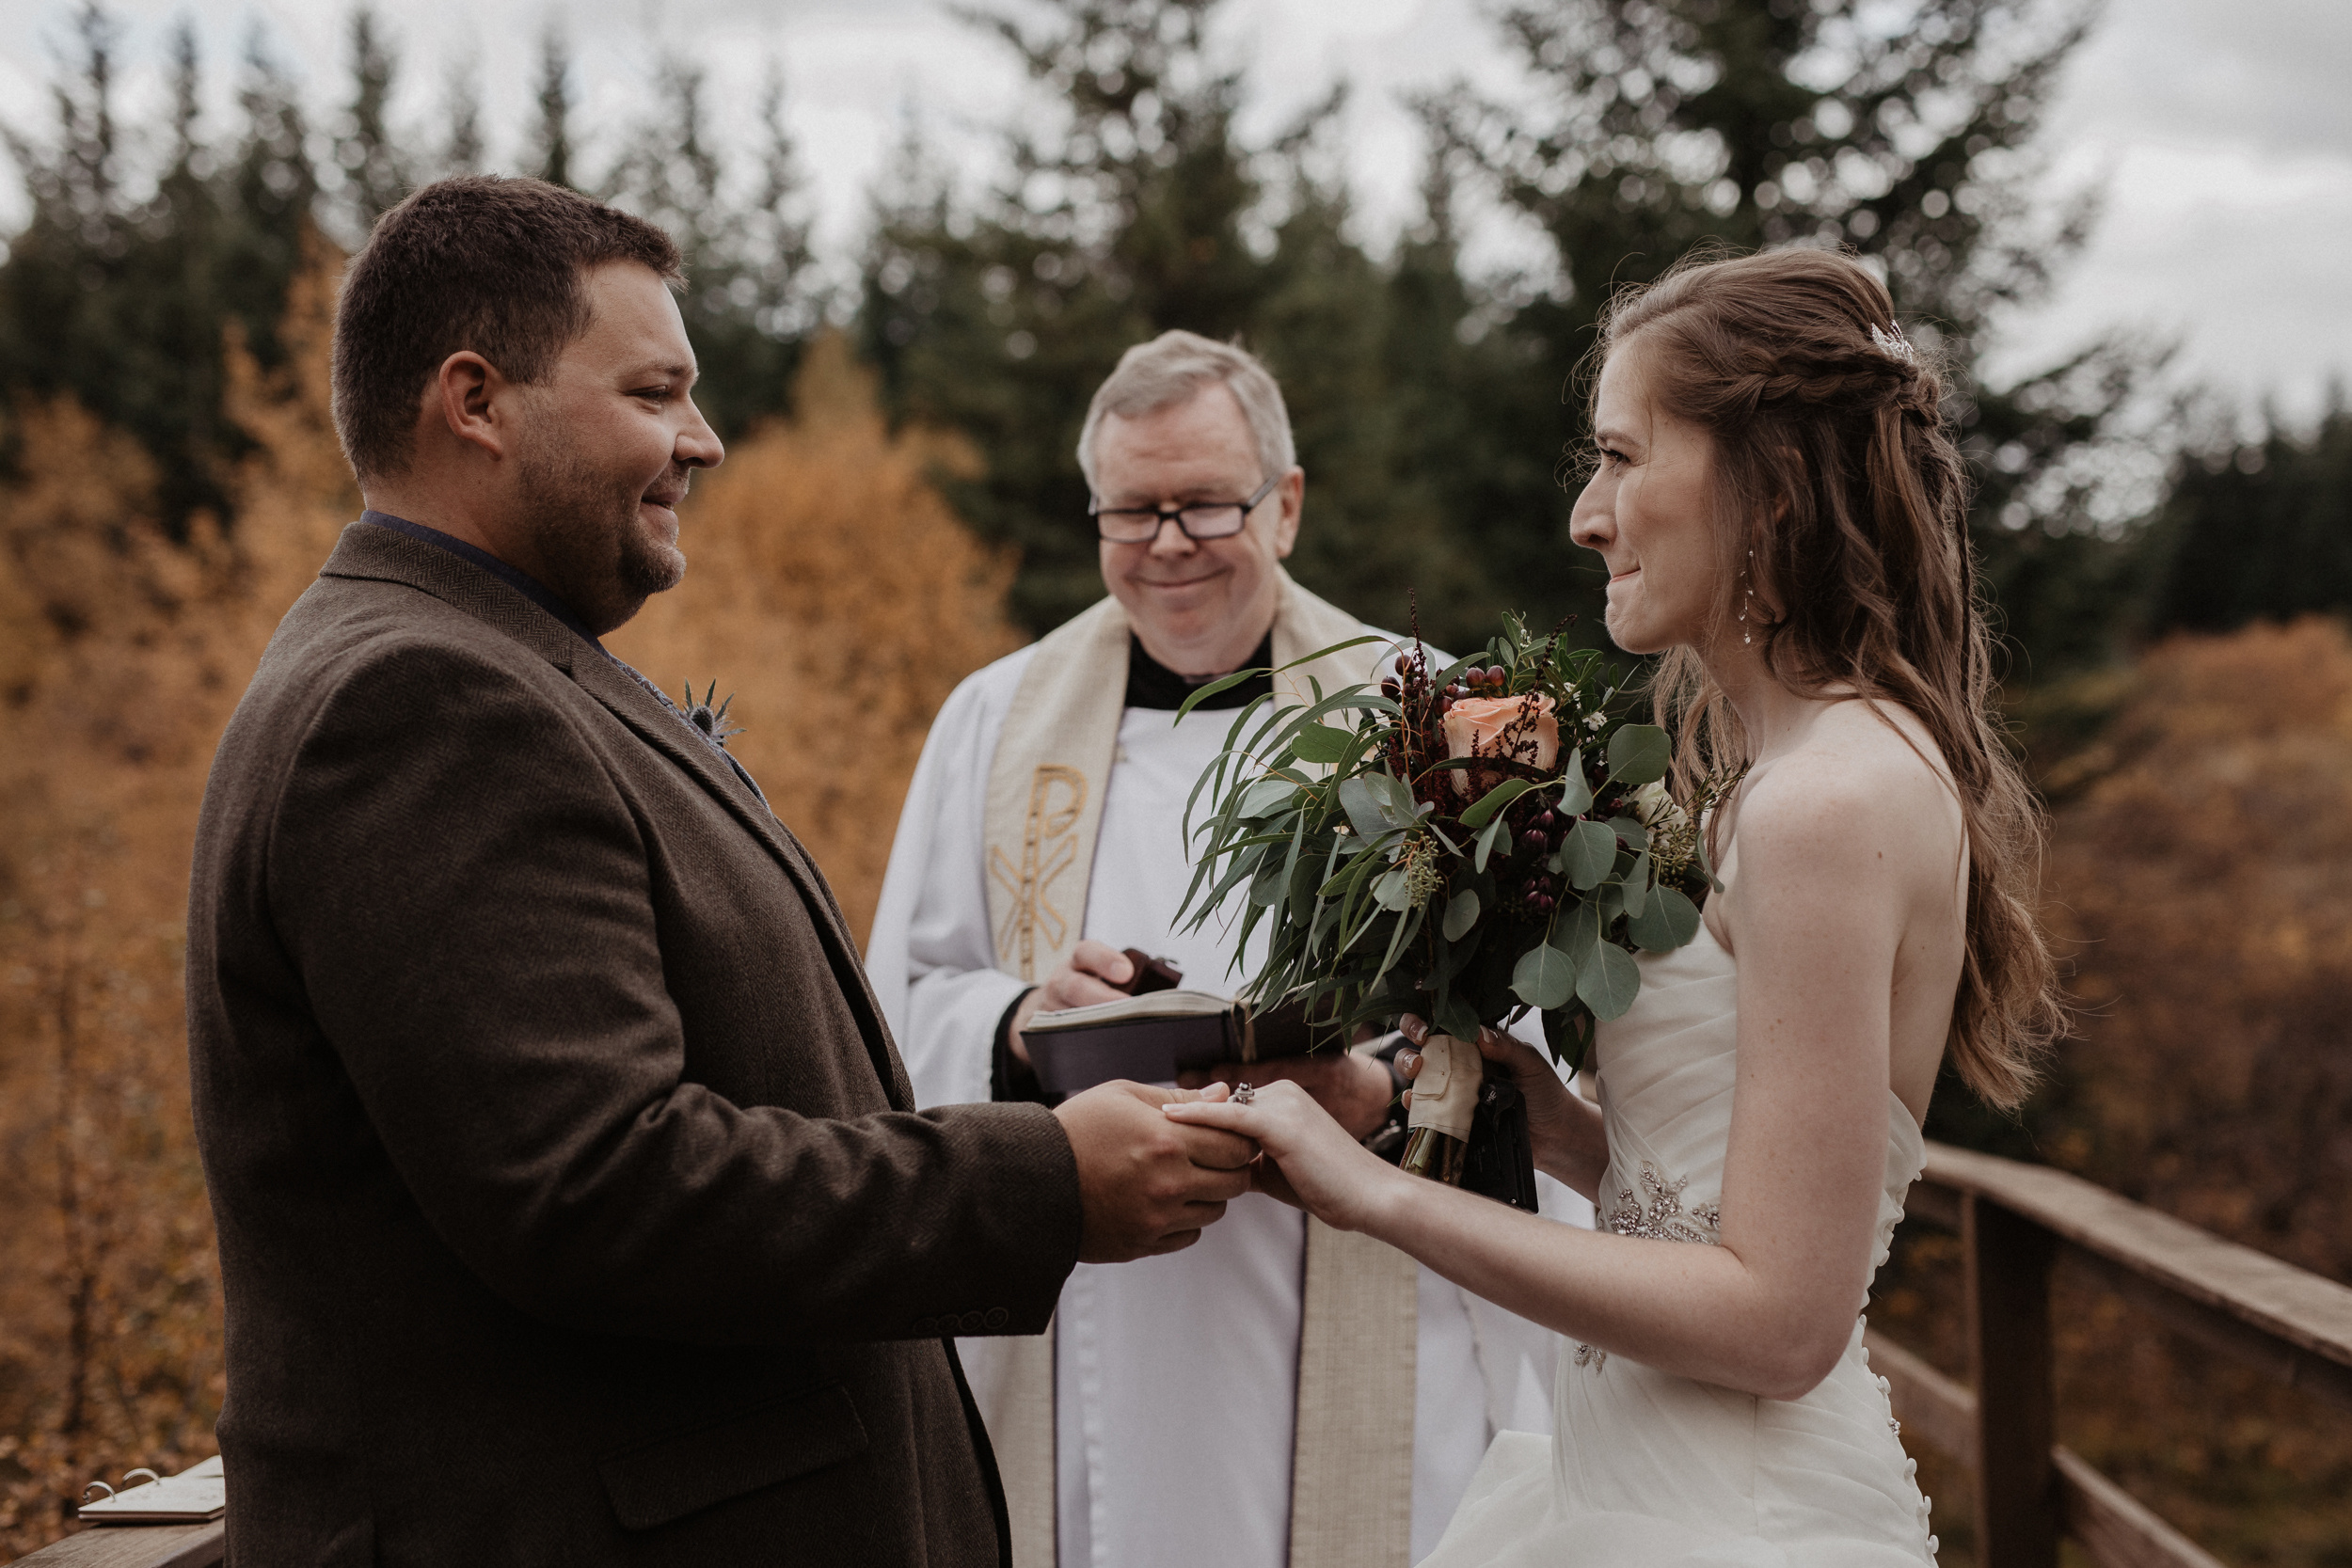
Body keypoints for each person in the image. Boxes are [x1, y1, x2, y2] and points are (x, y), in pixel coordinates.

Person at [184, 177, 1256, 1567]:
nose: (704, 439)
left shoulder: (492, 663)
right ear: (476, 401)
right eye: (653, 391)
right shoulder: (421, 702)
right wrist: (1042, 1181)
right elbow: (598, 1187)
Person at [1165, 246, 2064, 1565]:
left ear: (1766, 486)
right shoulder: (1808, 773)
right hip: (1647, 1480)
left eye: (1623, 457)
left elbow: (1779, 1322)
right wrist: (1571, 1135)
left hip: (1730, 1520)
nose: (1588, 516)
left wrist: (1377, 1196)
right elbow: (1727, 1199)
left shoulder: (1825, 806)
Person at [868, 330, 1581, 1568]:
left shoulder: (1444, 709)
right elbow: (897, 1002)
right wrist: (1020, 1026)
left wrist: (1379, 1091)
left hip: (1359, 1284)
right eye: (1129, 511)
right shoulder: (993, 720)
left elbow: (1537, 1036)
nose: (1165, 545)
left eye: (1203, 504)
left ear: (1286, 504)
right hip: (1096, 1300)